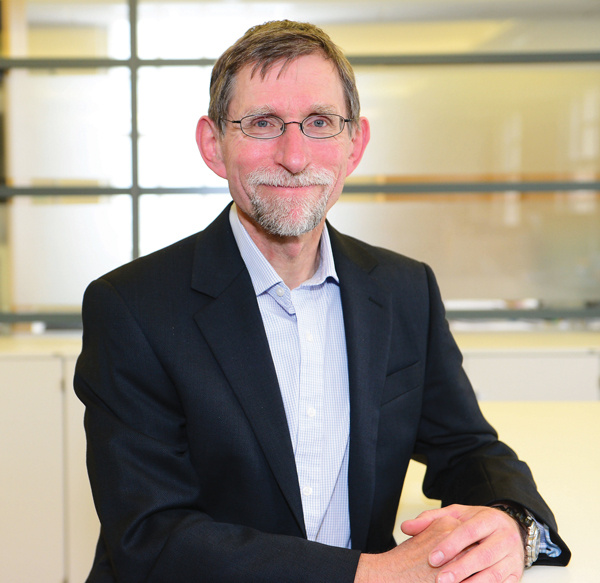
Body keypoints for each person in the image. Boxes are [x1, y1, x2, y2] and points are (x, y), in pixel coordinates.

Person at [74, 20, 570, 583]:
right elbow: (150, 538)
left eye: (319, 123)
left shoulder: (404, 290)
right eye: (262, 123)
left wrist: (513, 524)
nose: (293, 154)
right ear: (214, 145)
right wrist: (372, 575)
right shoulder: (133, 307)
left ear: (353, 144)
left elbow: (468, 449)